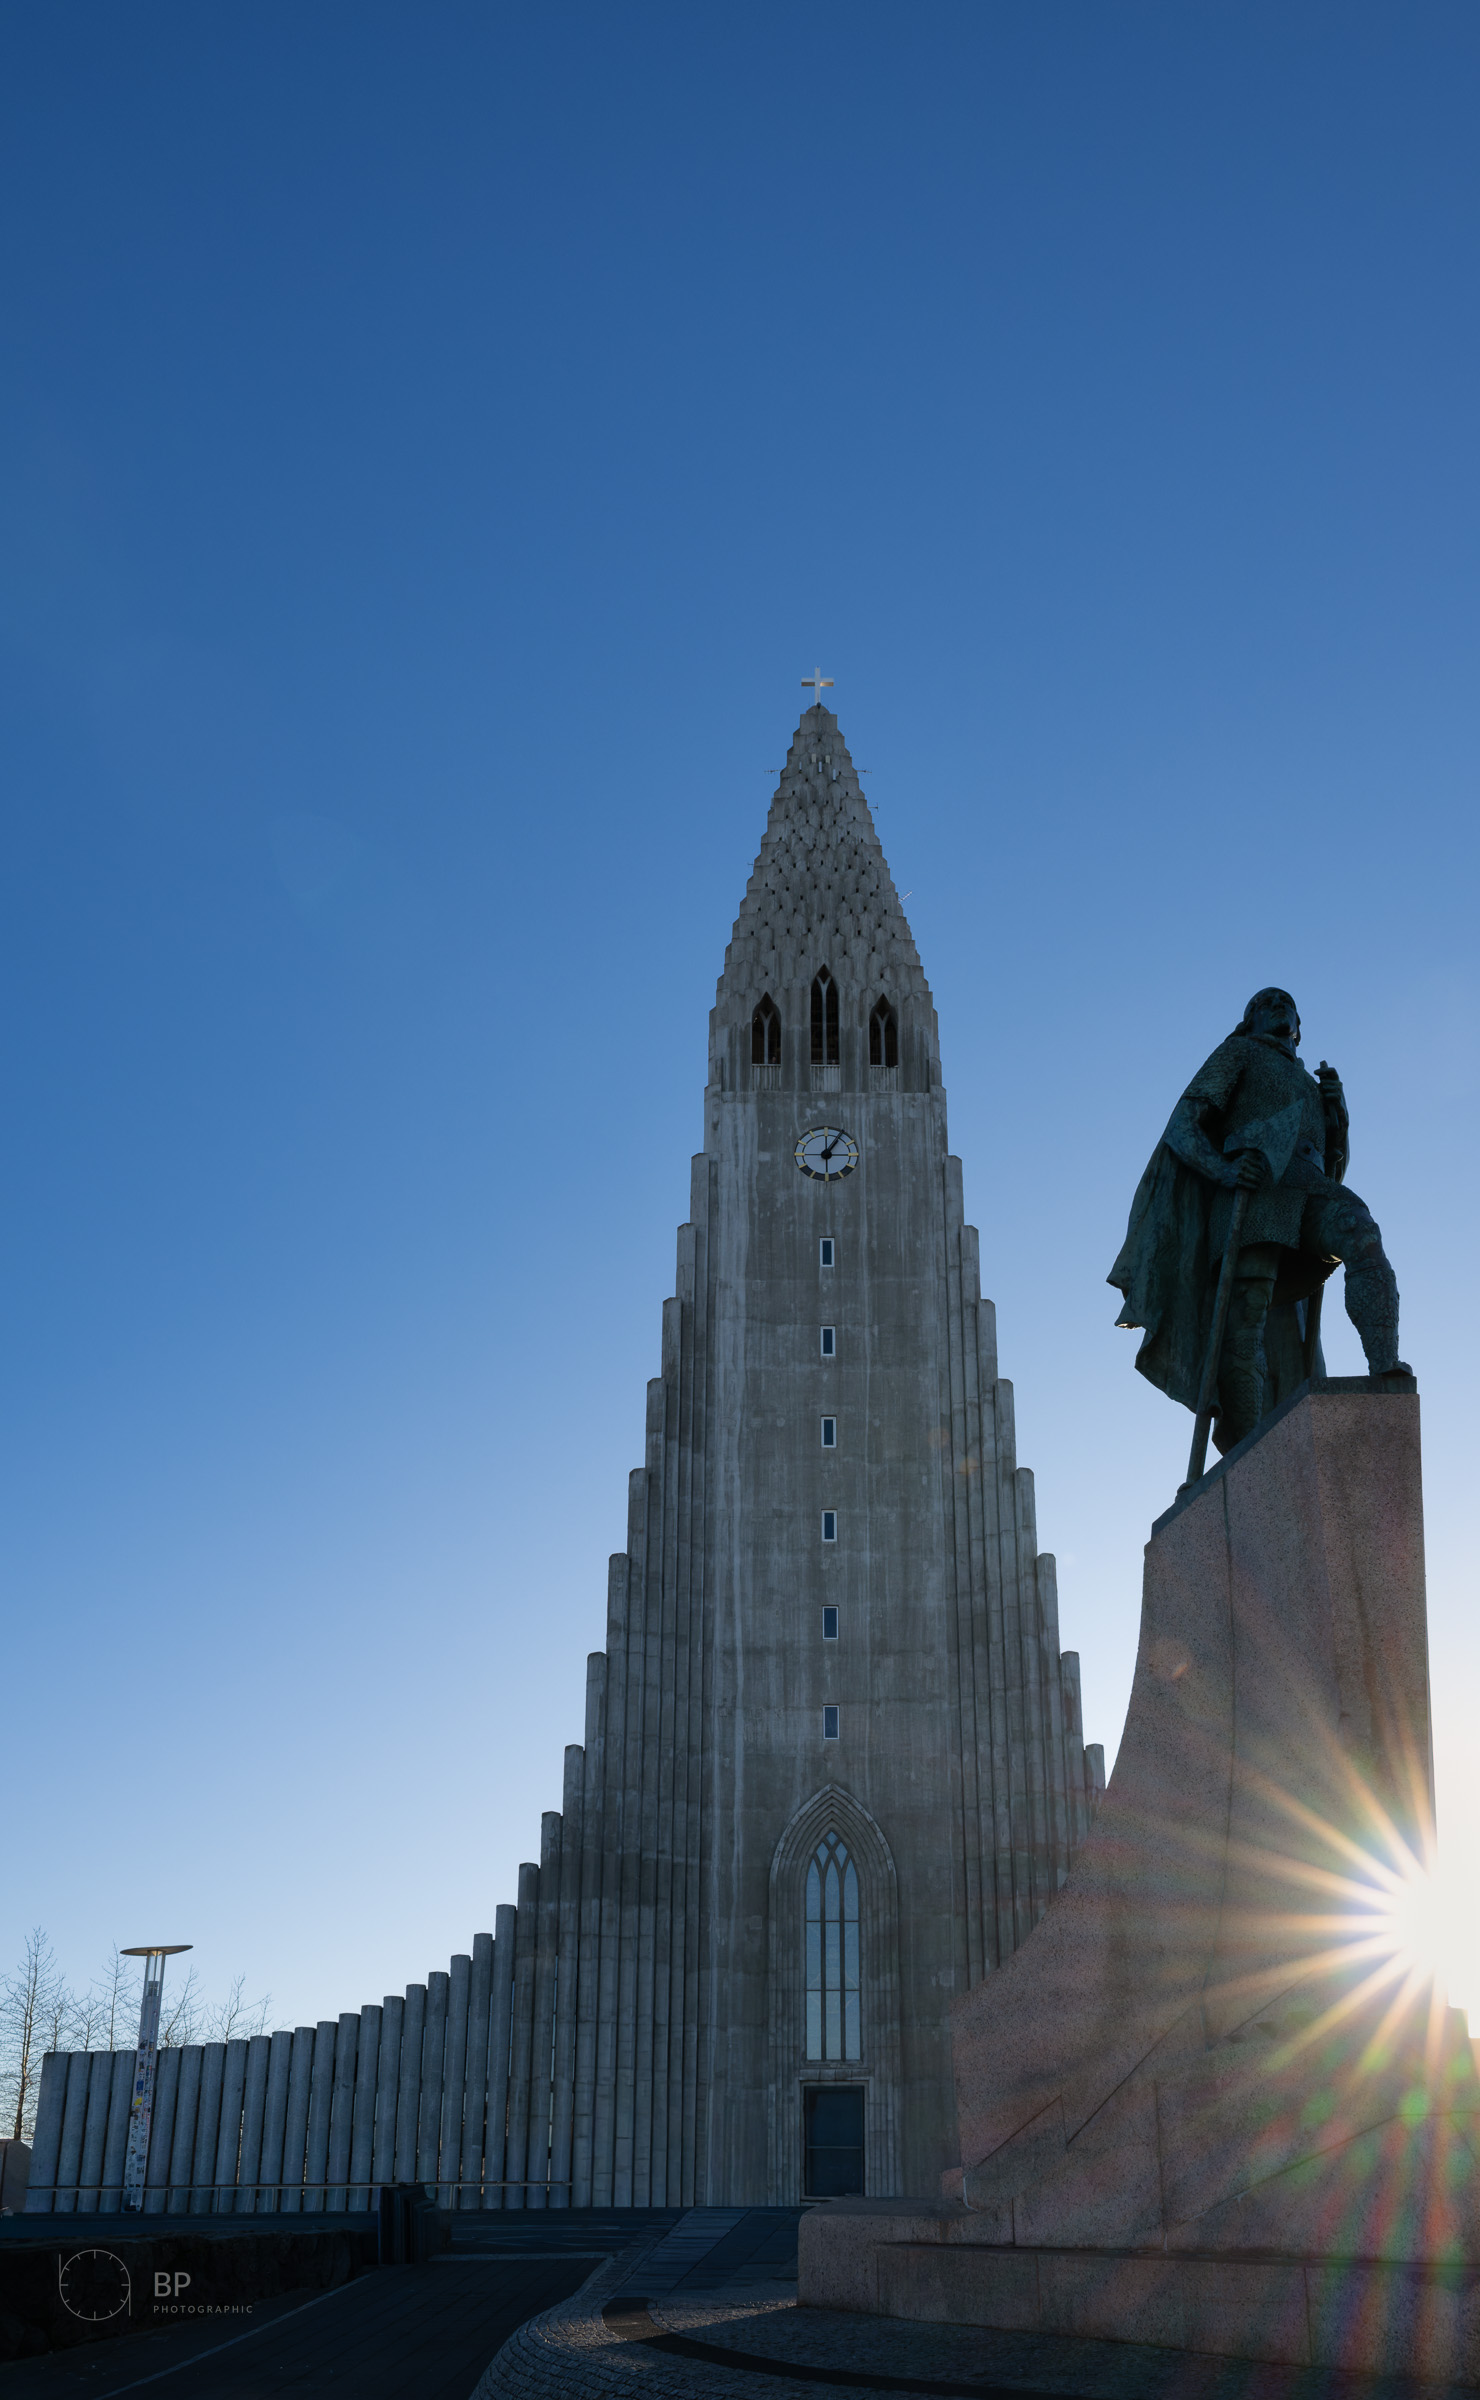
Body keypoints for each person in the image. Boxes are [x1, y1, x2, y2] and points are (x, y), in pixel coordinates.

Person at [1108, 988, 1409, 1453]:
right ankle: (1251, 1448)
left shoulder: (1312, 1084)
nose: (1275, 1009)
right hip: (1253, 1190)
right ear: (1249, 1020)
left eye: (1284, 1004)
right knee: (1247, 1314)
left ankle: (1385, 1364)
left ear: (1298, 1025)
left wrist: (1339, 1119)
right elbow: (1182, 1126)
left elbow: (1331, 1169)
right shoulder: (1239, 1053)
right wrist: (1222, 1169)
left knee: (1361, 1232)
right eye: (1263, 1005)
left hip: (1307, 1187)